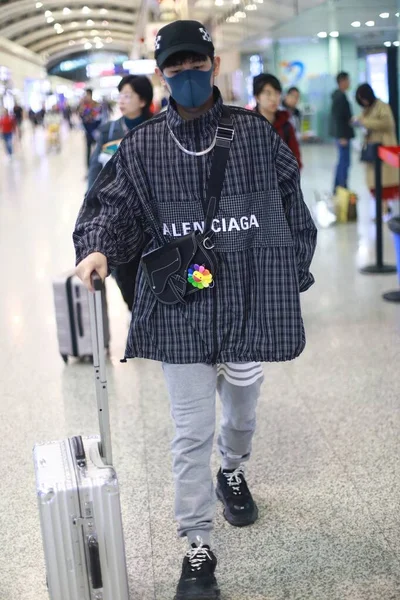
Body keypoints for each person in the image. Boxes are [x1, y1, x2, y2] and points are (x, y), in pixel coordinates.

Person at [73, 20, 317, 600]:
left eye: (195, 63)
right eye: (175, 67)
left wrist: (291, 273)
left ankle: (232, 466)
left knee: (240, 412)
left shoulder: (254, 135)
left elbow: (291, 206)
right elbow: (113, 207)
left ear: (213, 63)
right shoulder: (142, 146)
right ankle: (197, 545)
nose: (187, 75)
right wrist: (99, 250)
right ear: (162, 74)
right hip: (181, 303)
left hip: (246, 300)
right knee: (189, 433)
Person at [88, 75, 154, 311]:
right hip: (121, 221)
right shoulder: (109, 131)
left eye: (128, 96)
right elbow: (95, 173)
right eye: (120, 96)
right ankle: (135, 313)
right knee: (126, 279)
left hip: (153, 222)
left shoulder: (157, 129)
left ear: (143, 100)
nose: (122, 101)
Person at [354, 83, 398, 209]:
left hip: (384, 148)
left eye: (363, 98)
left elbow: (388, 123)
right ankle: (382, 208)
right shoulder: (367, 109)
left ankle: (384, 209)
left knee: (385, 181)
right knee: (372, 181)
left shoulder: (382, 107)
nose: (363, 101)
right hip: (371, 149)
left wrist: (365, 122)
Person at [253, 73, 302, 168]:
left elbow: (296, 160)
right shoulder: (248, 126)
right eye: (268, 93)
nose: (273, 98)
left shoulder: (286, 126)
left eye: (277, 93)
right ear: (257, 97)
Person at [330, 72, 354, 192]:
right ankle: (342, 188)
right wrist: (342, 136)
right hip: (343, 135)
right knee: (344, 163)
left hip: (342, 133)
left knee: (342, 162)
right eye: (348, 80)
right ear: (342, 81)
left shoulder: (340, 95)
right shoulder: (340, 96)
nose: (349, 83)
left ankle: (337, 187)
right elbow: (338, 118)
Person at [79, 88, 101, 169]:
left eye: (87, 94)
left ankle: (97, 166)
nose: (86, 97)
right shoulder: (83, 106)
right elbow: (81, 118)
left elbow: (99, 118)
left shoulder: (96, 105)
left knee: (97, 149)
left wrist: (96, 129)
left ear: (90, 95)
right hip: (88, 131)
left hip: (96, 131)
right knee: (88, 149)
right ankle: (88, 168)